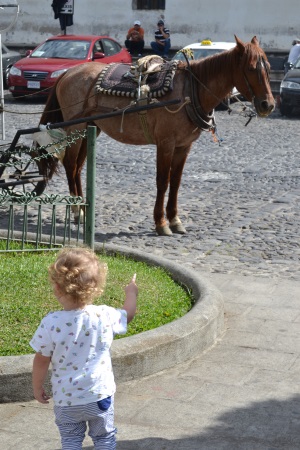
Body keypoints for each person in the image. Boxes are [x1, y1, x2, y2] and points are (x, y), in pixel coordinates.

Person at [30, 247, 138, 450]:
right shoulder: (104, 316)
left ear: (57, 288)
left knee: (70, 441)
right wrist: (131, 292)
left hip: (66, 399)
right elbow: (128, 314)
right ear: (96, 287)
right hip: (99, 395)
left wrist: (37, 387)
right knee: (104, 439)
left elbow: (41, 360)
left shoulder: (51, 323)